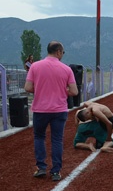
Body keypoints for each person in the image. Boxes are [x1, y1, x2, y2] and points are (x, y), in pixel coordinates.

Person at [24, 41, 78, 181]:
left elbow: (28, 87)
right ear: (59, 52)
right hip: (59, 110)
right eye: (62, 53)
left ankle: (41, 167)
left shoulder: (35, 66)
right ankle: (56, 172)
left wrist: (42, 89)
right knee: (57, 140)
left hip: (40, 109)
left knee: (39, 137)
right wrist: (62, 90)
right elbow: (74, 91)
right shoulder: (66, 69)